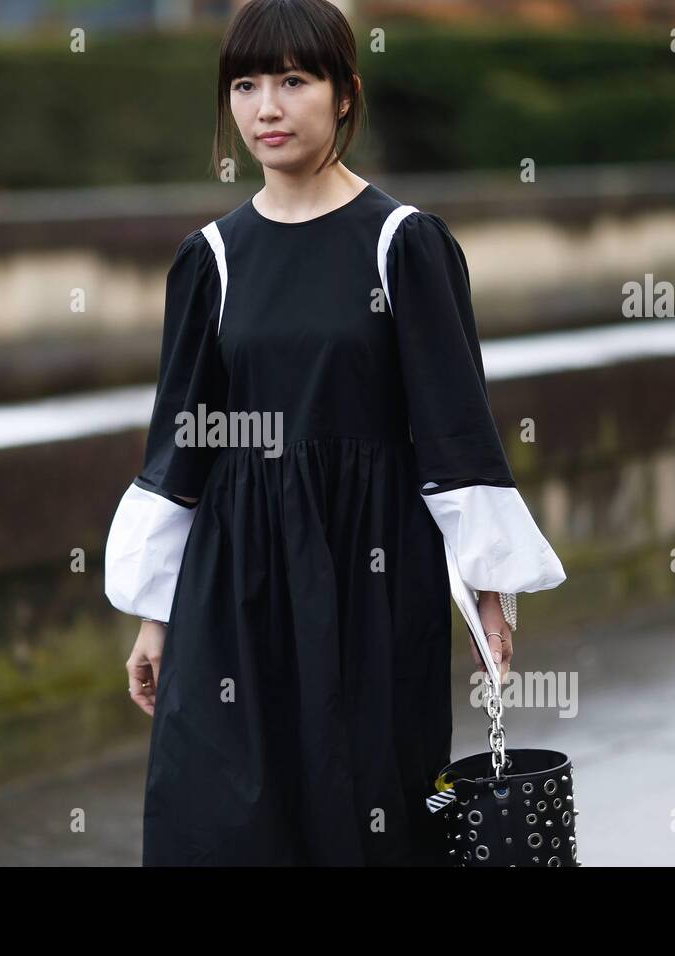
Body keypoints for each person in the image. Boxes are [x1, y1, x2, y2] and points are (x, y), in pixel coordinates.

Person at [103, 0, 566, 866]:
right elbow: (180, 449)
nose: (265, 108)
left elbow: (455, 432)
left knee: (365, 810)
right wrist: (155, 618)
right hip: (233, 580)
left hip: (371, 573)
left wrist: (491, 598)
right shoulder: (212, 257)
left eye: (292, 81)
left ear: (344, 94)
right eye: (244, 85)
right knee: (217, 814)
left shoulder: (403, 244)